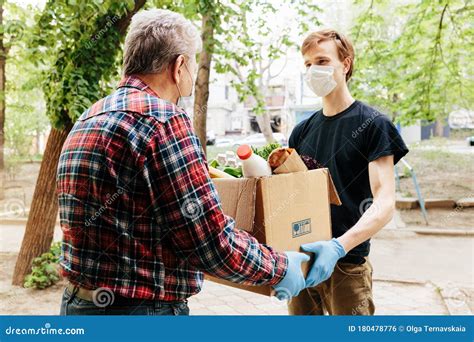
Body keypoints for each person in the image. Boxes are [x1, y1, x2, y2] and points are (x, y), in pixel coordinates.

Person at [57, 9, 309, 316]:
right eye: (191, 64)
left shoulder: (90, 116)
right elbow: (209, 243)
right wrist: (281, 267)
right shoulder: (164, 120)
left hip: (77, 305)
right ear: (179, 67)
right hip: (139, 313)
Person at [288, 29, 409, 315]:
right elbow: (290, 198)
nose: (312, 70)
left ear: (345, 64)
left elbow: (384, 201)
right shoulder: (301, 132)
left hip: (347, 266)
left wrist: (339, 246)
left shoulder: (373, 124)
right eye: (307, 64)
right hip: (302, 262)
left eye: (321, 61)